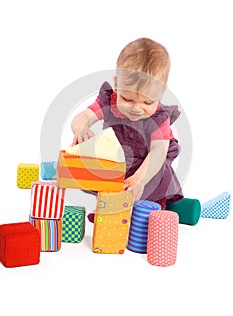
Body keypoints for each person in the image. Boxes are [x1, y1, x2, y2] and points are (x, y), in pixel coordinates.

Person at [71, 37, 183, 215]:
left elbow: (158, 152)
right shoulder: (109, 102)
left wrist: (140, 179)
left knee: (150, 191)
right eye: (127, 99)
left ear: (161, 92)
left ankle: (157, 209)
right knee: (104, 177)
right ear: (117, 85)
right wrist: (81, 128)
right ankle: (107, 209)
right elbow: (84, 116)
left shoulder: (159, 117)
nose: (137, 108)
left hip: (148, 165)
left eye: (147, 101)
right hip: (117, 160)